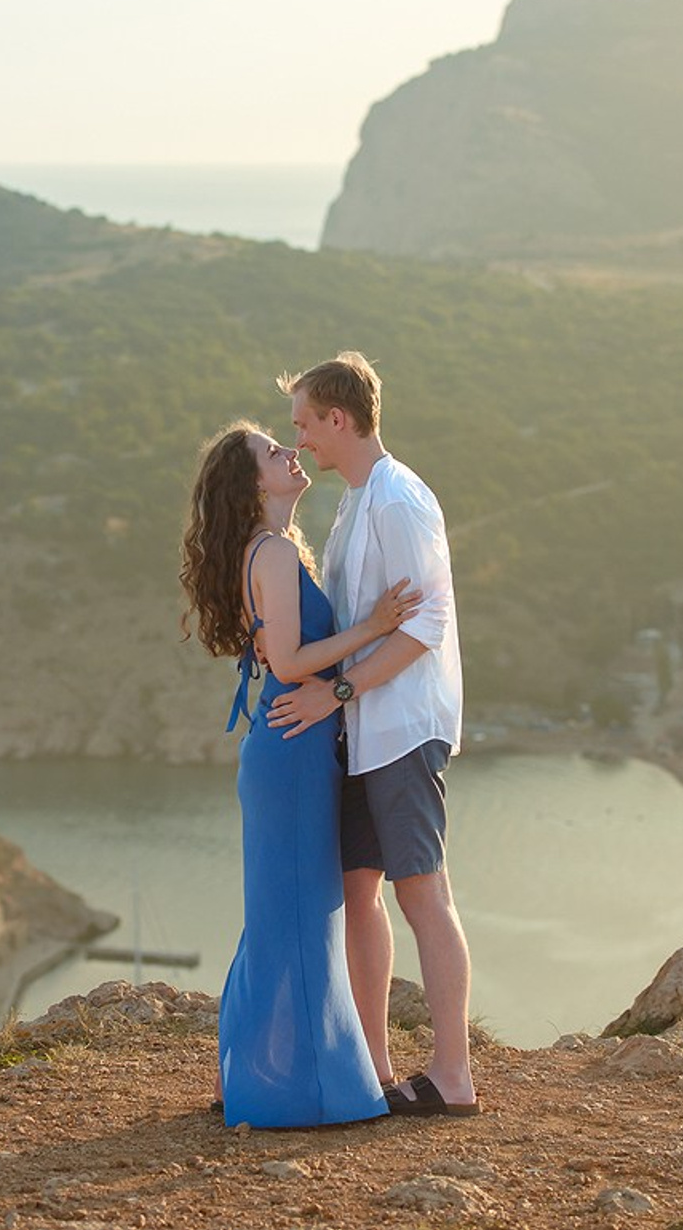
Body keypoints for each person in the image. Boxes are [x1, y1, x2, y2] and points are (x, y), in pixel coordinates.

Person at [179, 419, 419, 1128]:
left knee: (280, 917)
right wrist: (376, 627)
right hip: (292, 748)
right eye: (271, 452)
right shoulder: (275, 553)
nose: (289, 452)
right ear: (252, 484)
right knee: (299, 917)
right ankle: (308, 1090)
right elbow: (286, 663)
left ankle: (249, 1076)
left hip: (293, 746)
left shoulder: (271, 550)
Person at [268, 352, 479, 1118]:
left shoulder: (398, 499)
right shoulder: (355, 502)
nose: (299, 439)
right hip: (360, 730)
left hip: (401, 727)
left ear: (339, 417)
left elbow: (426, 625)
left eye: (304, 423)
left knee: (423, 892)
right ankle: (375, 1068)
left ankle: (452, 1077)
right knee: (359, 891)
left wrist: (337, 691)